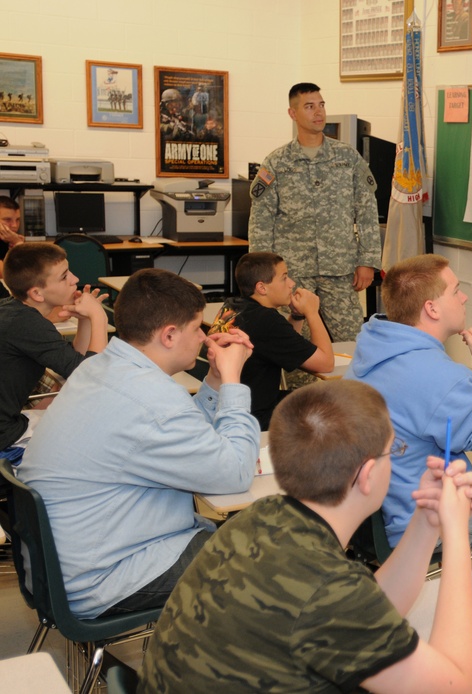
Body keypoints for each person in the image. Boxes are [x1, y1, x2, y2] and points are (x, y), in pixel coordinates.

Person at [139, 380, 472, 694]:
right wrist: (457, 536)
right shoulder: (328, 590)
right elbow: (457, 686)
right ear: (367, 474)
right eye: (393, 451)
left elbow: (368, 610)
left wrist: (427, 522)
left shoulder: (260, 516)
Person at [18, 268, 260, 619]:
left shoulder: (101, 367)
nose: (204, 338)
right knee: (272, 557)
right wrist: (236, 382)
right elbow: (236, 473)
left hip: (57, 568)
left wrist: (214, 380)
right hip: (104, 578)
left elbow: (178, 434)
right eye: (197, 328)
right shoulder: (153, 400)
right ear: (169, 335)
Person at [345, 253, 472, 576]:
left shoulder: (370, 345)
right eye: (455, 291)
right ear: (432, 308)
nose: (464, 296)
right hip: (419, 517)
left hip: (365, 516)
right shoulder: (440, 378)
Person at [248, 82, 381, 341]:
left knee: (354, 340)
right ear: (293, 113)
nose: (318, 112)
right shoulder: (277, 162)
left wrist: (367, 260)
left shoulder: (347, 157)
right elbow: (261, 221)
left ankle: (350, 384)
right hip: (293, 274)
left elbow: (366, 210)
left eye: (321, 105)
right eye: (309, 106)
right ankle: (301, 386)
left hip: (339, 269)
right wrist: (263, 273)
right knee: (297, 343)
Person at [0, 243, 108, 460]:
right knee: (97, 440)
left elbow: (74, 364)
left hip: (8, 425)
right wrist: (99, 317)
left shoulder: (13, 310)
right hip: (5, 440)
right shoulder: (28, 325)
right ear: (37, 293)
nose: (75, 279)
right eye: (64, 276)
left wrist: (85, 321)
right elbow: (95, 378)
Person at [209, 251, 335, 429]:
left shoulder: (234, 305)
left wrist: (297, 316)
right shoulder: (266, 320)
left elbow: (282, 343)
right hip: (254, 417)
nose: (291, 284)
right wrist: (312, 312)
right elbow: (326, 364)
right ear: (262, 288)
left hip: (227, 407)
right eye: (284, 278)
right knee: (331, 407)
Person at [0, 196, 26, 299]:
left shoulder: (8, 239)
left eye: (18, 220)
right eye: (7, 220)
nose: (14, 225)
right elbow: (9, 274)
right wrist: (18, 244)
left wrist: (17, 244)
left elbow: (31, 273)